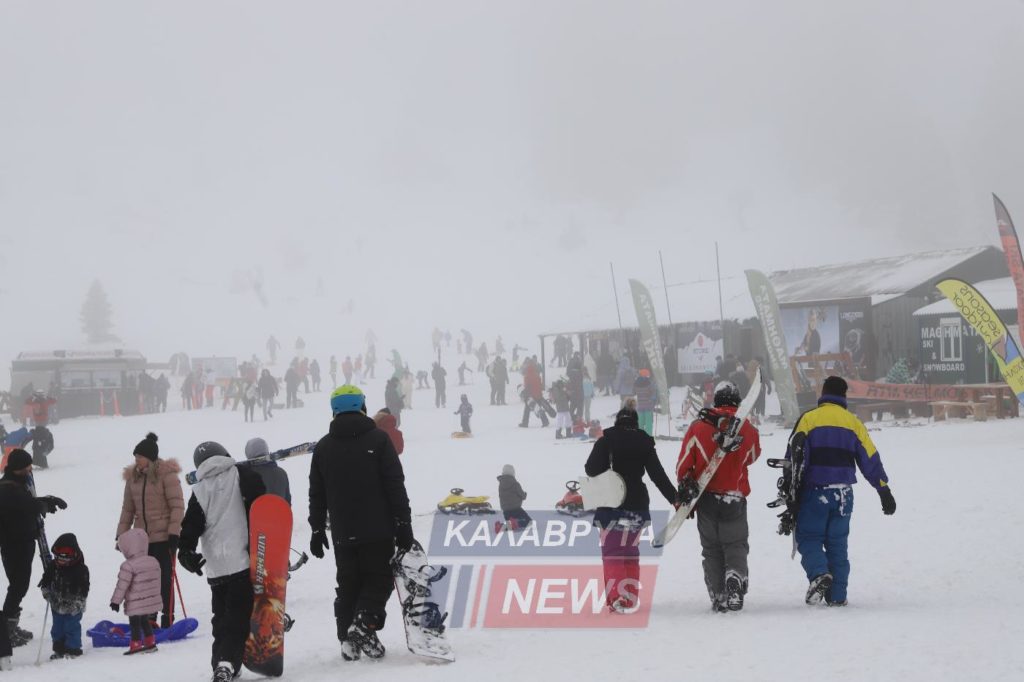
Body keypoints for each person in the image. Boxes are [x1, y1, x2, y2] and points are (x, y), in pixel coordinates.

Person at [308, 386, 413, 661]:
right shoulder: (378, 440)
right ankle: (364, 624)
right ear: (362, 406)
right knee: (379, 580)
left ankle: (349, 639)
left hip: (343, 532)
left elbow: (316, 493)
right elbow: (394, 484)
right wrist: (403, 522)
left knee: (349, 584)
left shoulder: (323, 447)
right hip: (379, 529)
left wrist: (317, 528)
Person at [781, 376, 896, 606]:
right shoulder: (853, 423)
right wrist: (883, 490)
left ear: (823, 393)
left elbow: (793, 458)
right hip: (844, 495)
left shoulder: (808, 419)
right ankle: (837, 596)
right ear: (844, 396)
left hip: (815, 493)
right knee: (837, 544)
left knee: (809, 538)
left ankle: (819, 573)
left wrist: (789, 491)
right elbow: (870, 458)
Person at [177, 442, 266, 682]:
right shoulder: (242, 474)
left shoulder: (199, 489)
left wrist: (186, 553)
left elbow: (190, 526)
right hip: (242, 561)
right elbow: (261, 499)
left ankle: (223, 664)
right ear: (224, 454)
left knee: (221, 618)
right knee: (238, 618)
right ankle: (226, 664)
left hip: (215, 567)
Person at [675, 382, 761, 612]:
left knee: (711, 549)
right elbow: (753, 455)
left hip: (706, 497)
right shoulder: (748, 429)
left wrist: (684, 488)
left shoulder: (698, 426)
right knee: (735, 544)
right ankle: (735, 576)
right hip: (735, 496)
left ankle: (718, 594)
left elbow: (684, 464)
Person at [584, 408, 677, 612]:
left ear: (617, 422)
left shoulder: (606, 440)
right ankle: (630, 598)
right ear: (635, 423)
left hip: (611, 505)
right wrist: (675, 499)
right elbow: (657, 475)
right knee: (630, 553)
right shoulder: (644, 442)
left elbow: (590, 469)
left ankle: (618, 598)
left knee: (613, 553)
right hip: (637, 506)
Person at [115, 433, 184, 628]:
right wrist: (121, 535)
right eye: (135, 457)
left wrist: (174, 533)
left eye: (140, 457)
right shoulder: (133, 479)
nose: (136, 460)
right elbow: (128, 509)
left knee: (164, 579)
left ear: (150, 458)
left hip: (164, 537)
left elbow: (177, 506)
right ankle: (150, 617)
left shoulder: (167, 476)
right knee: (146, 580)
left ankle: (167, 616)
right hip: (142, 540)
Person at [0, 449, 67, 646]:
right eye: (27, 467)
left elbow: (28, 503)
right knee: (18, 586)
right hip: (14, 544)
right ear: (17, 468)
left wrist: (47, 500)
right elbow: (25, 506)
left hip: (24, 540)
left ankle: (9, 625)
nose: (30, 470)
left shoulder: (17, 484)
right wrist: (44, 504)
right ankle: (6, 631)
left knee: (19, 585)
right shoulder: (7, 489)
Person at [110, 528, 162, 655]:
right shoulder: (153, 561)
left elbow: (122, 586)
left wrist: (115, 602)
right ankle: (150, 642)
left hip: (135, 602)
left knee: (135, 624)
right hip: (148, 600)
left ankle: (136, 644)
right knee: (145, 620)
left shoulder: (128, 566)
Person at [39, 532, 90, 659]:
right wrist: (46, 590)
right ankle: (59, 649)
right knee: (57, 628)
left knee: (71, 627)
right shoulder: (53, 566)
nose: (60, 561)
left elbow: (84, 587)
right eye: (58, 558)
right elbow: (46, 579)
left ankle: (73, 649)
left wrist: (80, 600)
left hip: (74, 605)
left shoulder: (81, 569)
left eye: (64, 559)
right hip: (57, 603)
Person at [244, 438, 291, 503]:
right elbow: (287, 501)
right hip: (279, 512)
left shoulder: (246, 474)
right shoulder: (282, 472)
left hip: (254, 512)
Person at [496, 464, 531, 531]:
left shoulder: (501, 484)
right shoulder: (515, 484)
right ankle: (516, 522)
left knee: (510, 526)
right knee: (529, 522)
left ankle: (500, 527)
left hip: (506, 511)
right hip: (516, 509)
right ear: (513, 473)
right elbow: (523, 496)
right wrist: (525, 494)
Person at [519, 357, 549, 428]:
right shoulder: (537, 375)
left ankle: (525, 423)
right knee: (539, 408)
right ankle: (545, 421)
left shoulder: (527, 376)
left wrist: (525, 394)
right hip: (538, 395)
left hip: (531, 395)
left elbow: (527, 387)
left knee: (527, 409)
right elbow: (540, 385)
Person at [633, 369, 657, 436]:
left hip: (640, 405)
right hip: (648, 405)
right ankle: (648, 436)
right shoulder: (649, 383)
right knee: (648, 422)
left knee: (640, 422)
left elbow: (634, 392)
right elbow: (653, 393)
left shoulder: (636, 383)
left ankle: (640, 436)